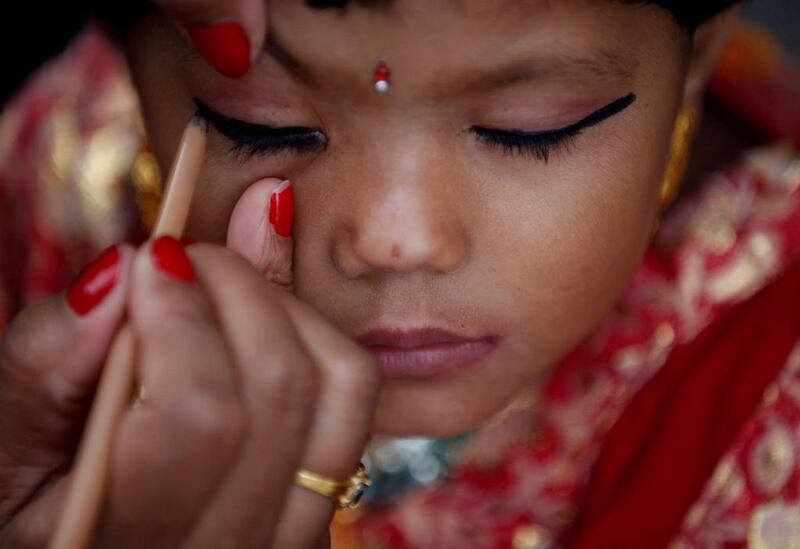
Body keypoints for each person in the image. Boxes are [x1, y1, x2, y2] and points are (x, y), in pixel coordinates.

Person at [1, 1, 799, 547]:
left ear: (695, 56)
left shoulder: (771, 393)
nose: (392, 240)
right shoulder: (55, 173)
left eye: (524, 131)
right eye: (257, 119)